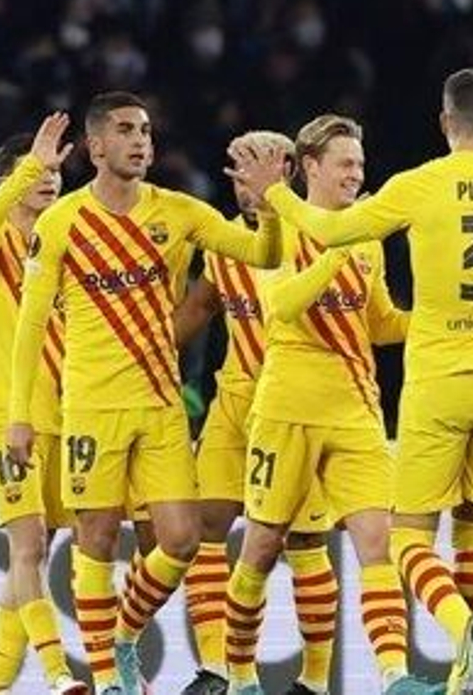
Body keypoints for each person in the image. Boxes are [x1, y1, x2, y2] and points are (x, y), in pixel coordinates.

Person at [227, 62, 473, 695]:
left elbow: (329, 231)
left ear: (442, 122)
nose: (355, 174)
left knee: (407, 538)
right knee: (471, 530)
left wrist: (274, 192)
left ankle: (461, 633)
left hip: (437, 384)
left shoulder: (415, 185)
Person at [7, 92, 282, 695]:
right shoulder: (61, 223)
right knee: (97, 540)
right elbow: (29, 328)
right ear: (97, 145)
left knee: (182, 540)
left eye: (148, 132)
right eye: (127, 131)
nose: (141, 142)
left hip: (160, 403)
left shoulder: (180, 212)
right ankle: (109, 680)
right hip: (91, 407)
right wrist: (20, 416)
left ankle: (123, 634)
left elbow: (264, 253)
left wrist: (271, 207)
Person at [220, 115, 439, 695]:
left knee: (378, 543)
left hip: (356, 410)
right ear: (311, 168)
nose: (356, 174)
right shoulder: (276, 225)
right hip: (286, 409)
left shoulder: (367, 235)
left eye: (360, 165)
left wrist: (443, 322)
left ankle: (394, 675)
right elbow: (283, 304)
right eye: (345, 164)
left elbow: (380, 322)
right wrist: (337, 251)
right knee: (263, 548)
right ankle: (239, 674)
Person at [172, 131, 339, 695]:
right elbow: (196, 309)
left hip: (294, 403)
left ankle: (314, 680)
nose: (243, 182)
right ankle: (218, 670)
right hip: (235, 399)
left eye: (254, 168)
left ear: (287, 169)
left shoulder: (311, 234)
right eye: (236, 171)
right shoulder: (223, 243)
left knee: (303, 543)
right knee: (205, 528)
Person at [0, 116, 88, 695]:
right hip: (3, 413)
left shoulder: (62, 246)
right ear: (8, 180)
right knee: (29, 543)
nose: (49, 180)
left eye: (57, 171)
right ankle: (59, 673)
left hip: (64, 413)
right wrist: (26, 167)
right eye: (37, 172)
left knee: (31, 557)